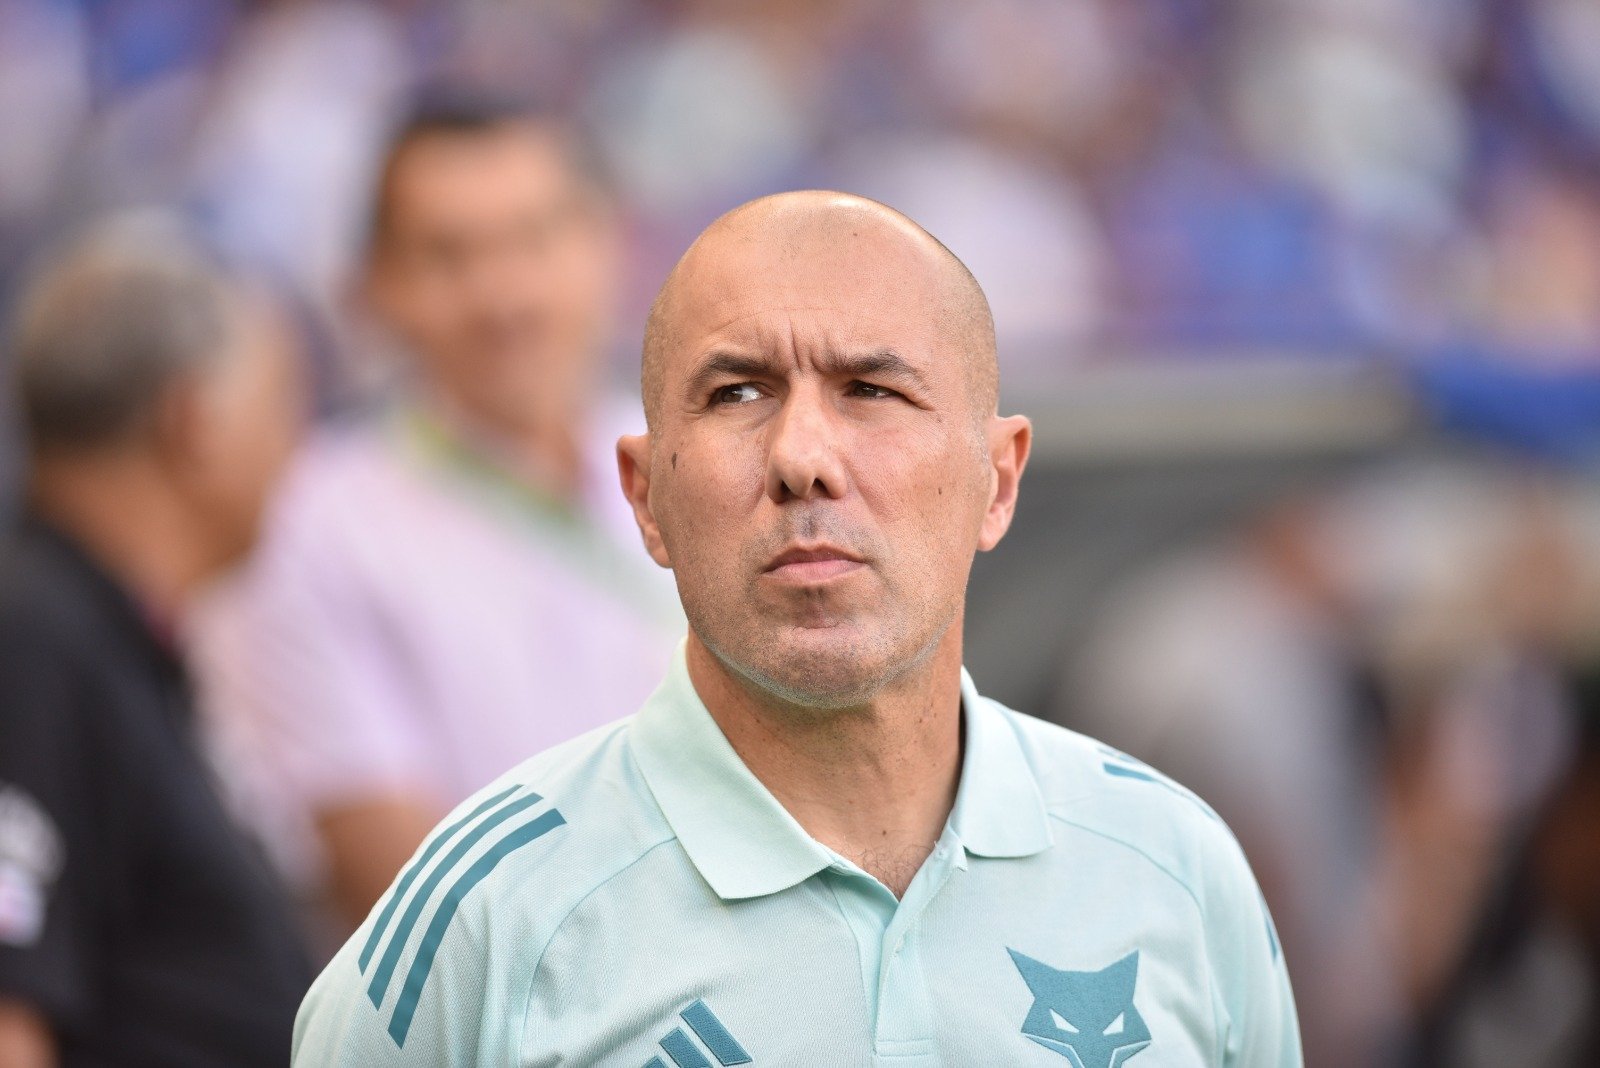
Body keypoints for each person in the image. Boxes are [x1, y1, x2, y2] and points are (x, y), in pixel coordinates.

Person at [293, 191, 1301, 1066]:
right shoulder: (487, 919)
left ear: (997, 481)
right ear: (645, 498)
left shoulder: (1174, 870)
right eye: (737, 393)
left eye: (872, 390)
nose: (803, 457)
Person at [191, 97, 678, 938]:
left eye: (536, 238)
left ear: (612, 245)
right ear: (373, 286)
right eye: (449, 256)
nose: (504, 295)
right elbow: (409, 889)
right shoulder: (302, 529)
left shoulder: (697, 458)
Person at [0, 216, 310, 1067]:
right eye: (279, 409)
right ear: (193, 422)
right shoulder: (34, 643)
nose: (293, 452)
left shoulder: (106, 643)